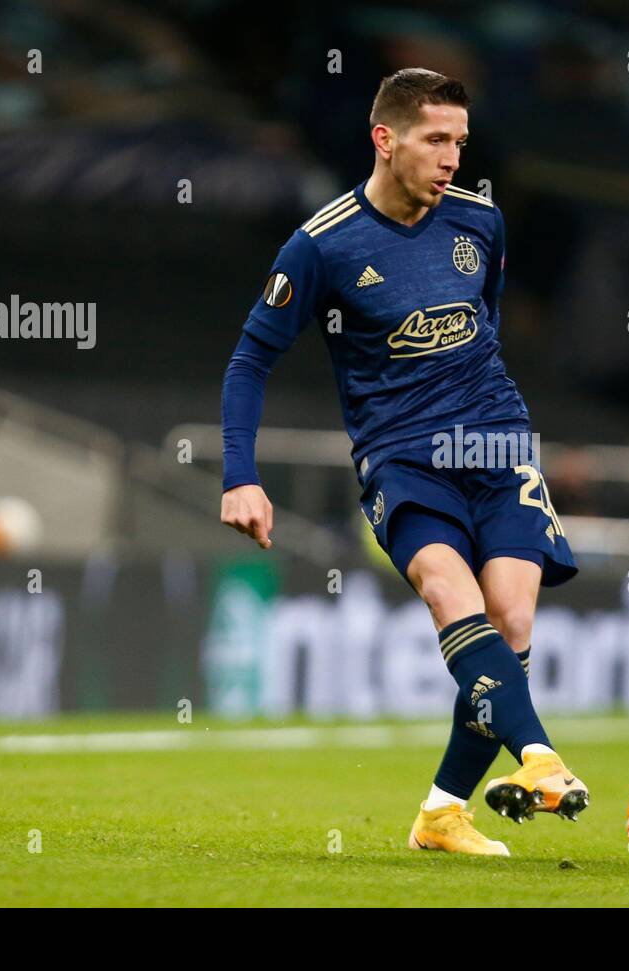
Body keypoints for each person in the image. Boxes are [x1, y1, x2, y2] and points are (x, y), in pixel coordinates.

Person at [219, 68, 587, 857]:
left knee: (513, 618)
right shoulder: (322, 245)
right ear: (385, 140)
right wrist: (240, 474)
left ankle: (443, 813)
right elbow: (250, 360)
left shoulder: (481, 221)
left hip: (496, 443)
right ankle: (542, 758)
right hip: (401, 458)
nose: (453, 157)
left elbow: (484, 324)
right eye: (435, 140)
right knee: (450, 592)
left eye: (460, 139)